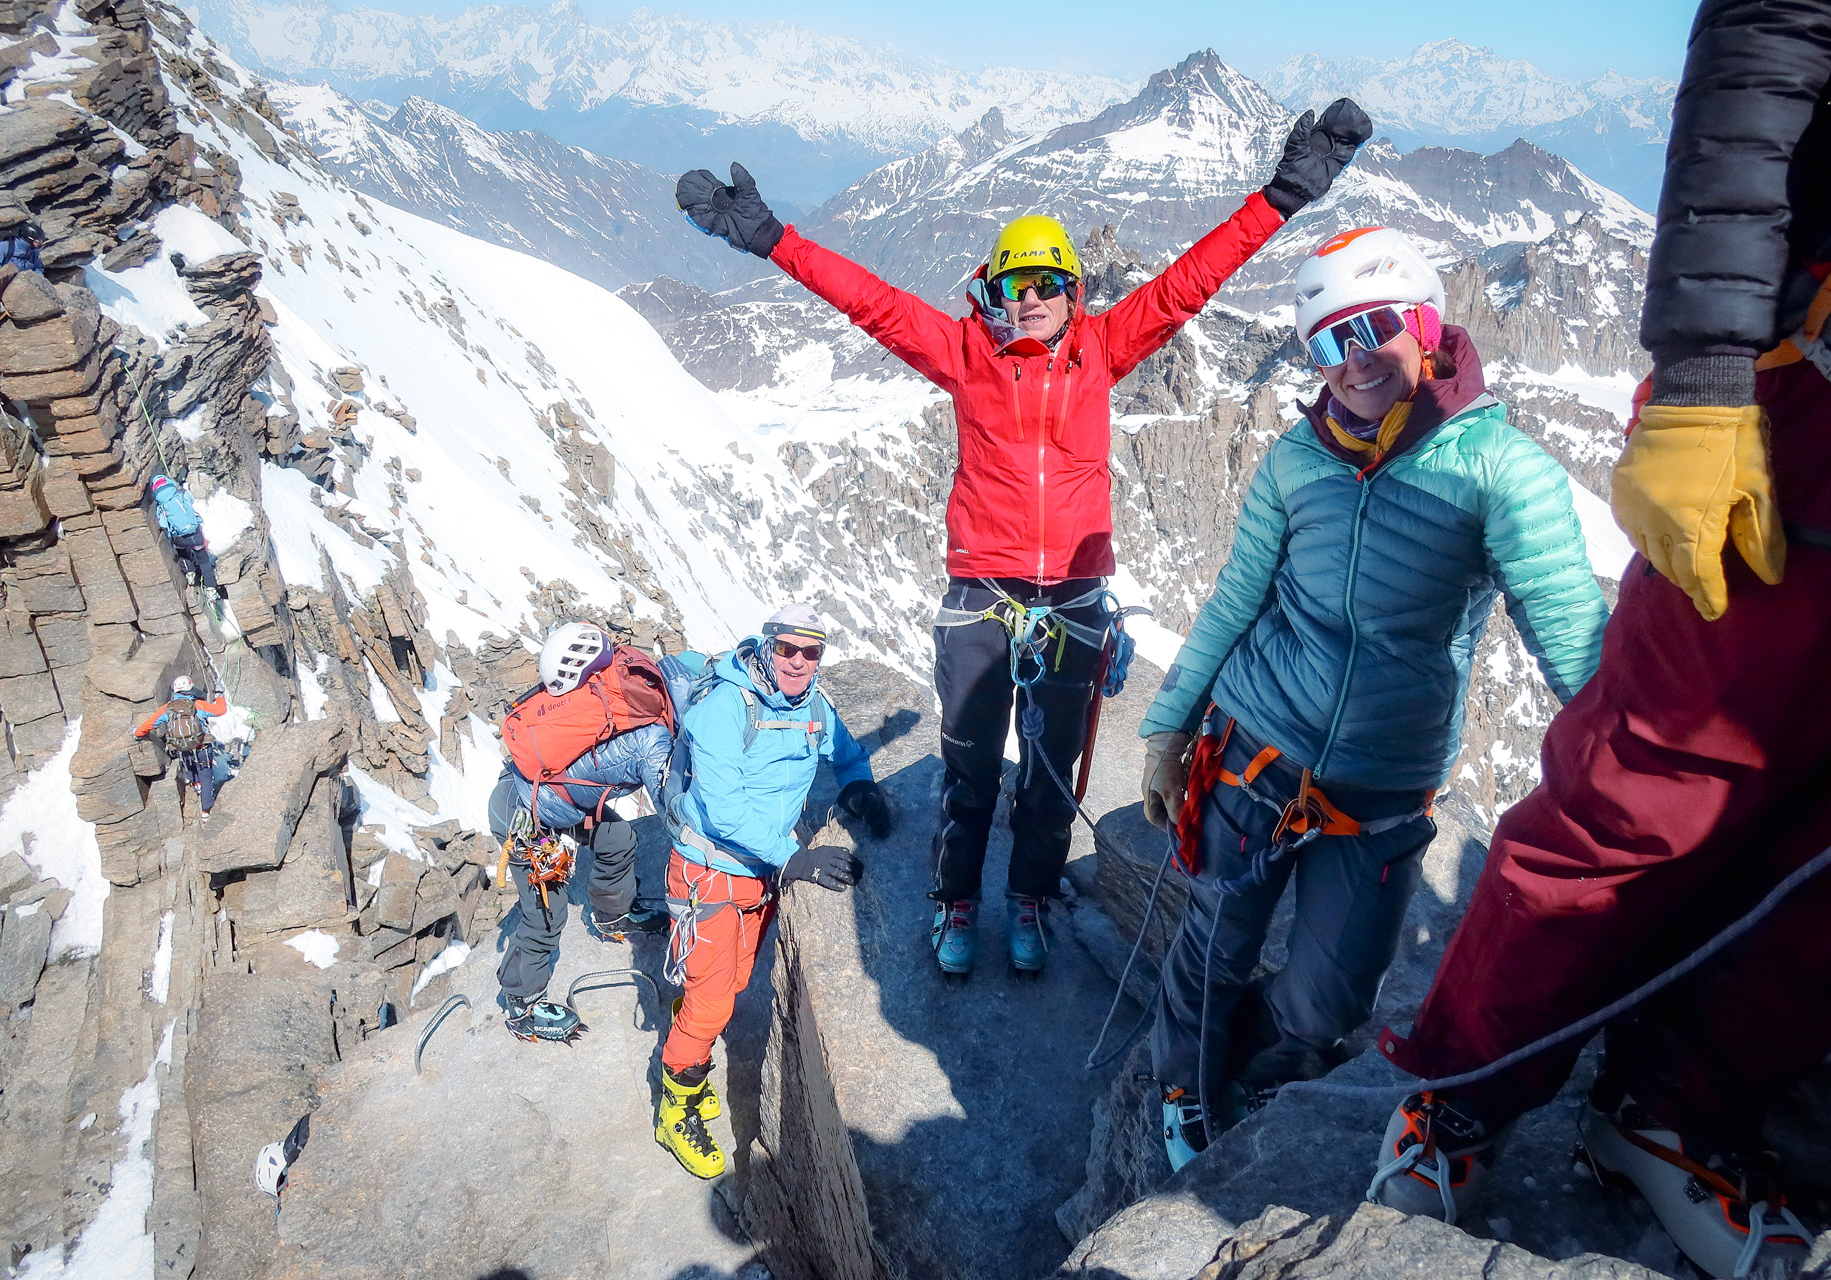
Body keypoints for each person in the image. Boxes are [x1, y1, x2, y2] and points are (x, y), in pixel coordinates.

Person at [677, 100, 1372, 978]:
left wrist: (1282, 196)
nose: (1031, 300)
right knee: (970, 773)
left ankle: (1031, 898)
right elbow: (869, 302)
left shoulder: (1103, 347)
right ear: (993, 295)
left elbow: (1191, 281)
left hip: (1073, 601)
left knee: (1047, 779)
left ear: (1073, 293)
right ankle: (956, 899)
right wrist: (773, 239)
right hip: (982, 597)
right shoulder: (966, 354)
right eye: (1015, 287)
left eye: (1047, 284)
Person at [1367, 4, 1830, 1272]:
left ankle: (1672, 1112)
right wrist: (1707, 369)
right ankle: (1465, 1093)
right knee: (1651, 785)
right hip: (1801, 399)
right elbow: (1770, 30)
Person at [1136, 226, 1608, 1170]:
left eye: (1374, 328)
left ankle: (1268, 1062)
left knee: (1333, 999)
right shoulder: (1297, 459)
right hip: (1257, 751)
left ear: (1426, 326)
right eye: (1327, 342)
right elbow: (1237, 598)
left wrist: (1640, 773)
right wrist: (1167, 726)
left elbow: (1571, 630)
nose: (1352, 361)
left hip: (1383, 786)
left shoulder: (1499, 469)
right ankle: (1184, 1082)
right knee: (1216, 939)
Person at [655, 603, 887, 1179]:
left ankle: (692, 1046)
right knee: (713, 999)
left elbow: (847, 754)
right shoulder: (725, 708)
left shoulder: (814, 707)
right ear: (767, 647)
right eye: (787, 649)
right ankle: (675, 1107)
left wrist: (860, 788)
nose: (798, 662)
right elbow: (724, 810)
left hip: (758, 878)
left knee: (728, 987)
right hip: (710, 872)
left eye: (811, 652)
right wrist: (796, 858)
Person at [487, 621, 673, 1045]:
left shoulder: (596, 705)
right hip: (525, 818)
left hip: (552, 801)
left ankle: (611, 916)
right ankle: (521, 1003)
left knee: (617, 839)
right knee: (546, 913)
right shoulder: (605, 712)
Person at [134, 675, 230, 821]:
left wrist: (136, 733)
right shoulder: (198, 705)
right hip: (201, 747)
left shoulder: (167, 709)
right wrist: (219, 695)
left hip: (182, 748)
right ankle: (206, 810)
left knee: (190, 765)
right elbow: (220, 710)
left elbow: (149, 724)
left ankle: (195, 784)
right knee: (206, 776)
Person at [147, 475, 223, 597]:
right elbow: (190, 500)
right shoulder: (181, 494)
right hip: (195, 534)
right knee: (204, 560)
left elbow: (163, 523)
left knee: (182, 552)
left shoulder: (160, 505)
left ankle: (190, 573)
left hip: (179, 539)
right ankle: (211, 589)